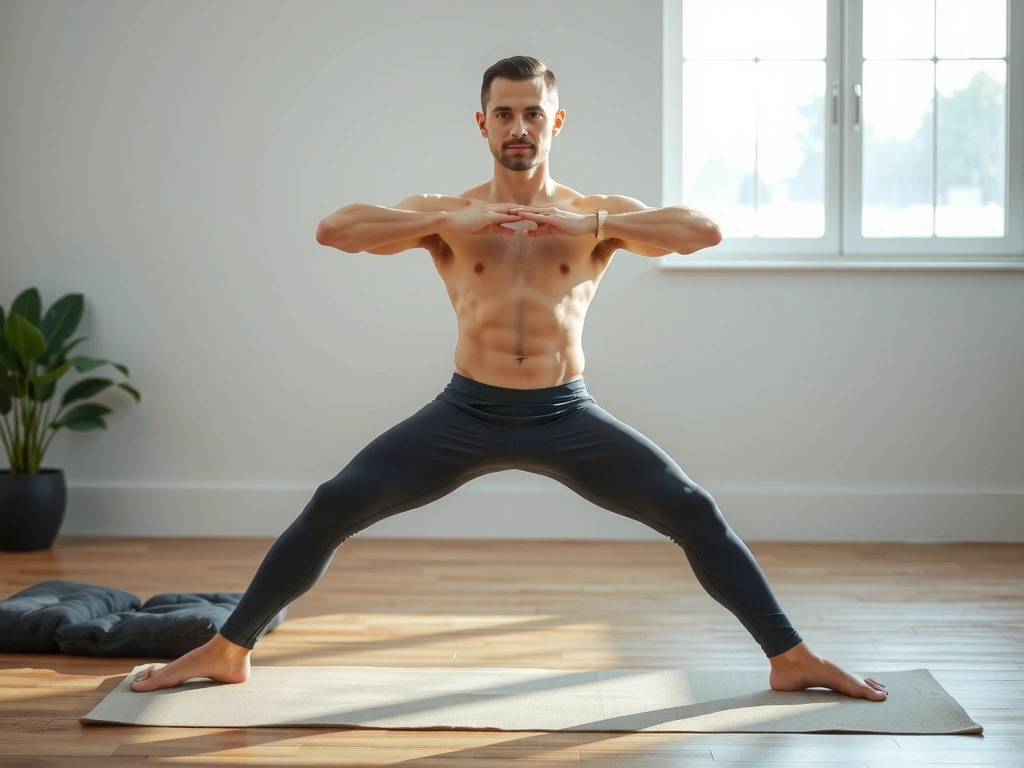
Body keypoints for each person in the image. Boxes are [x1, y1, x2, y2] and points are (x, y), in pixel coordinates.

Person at [131, 55, 887, 702]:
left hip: (568, 415)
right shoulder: (445, 213)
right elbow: (336, 230)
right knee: (336, 502)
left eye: (533, 113)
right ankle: (230, 650)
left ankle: (790, 658)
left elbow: (702, 231)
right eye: (504, 114)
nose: (519, 127)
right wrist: (452, 226)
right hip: (466, 412)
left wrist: (588, 229)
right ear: (482, 124)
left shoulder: (596, 214)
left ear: (556, 123)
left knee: (691, 508)